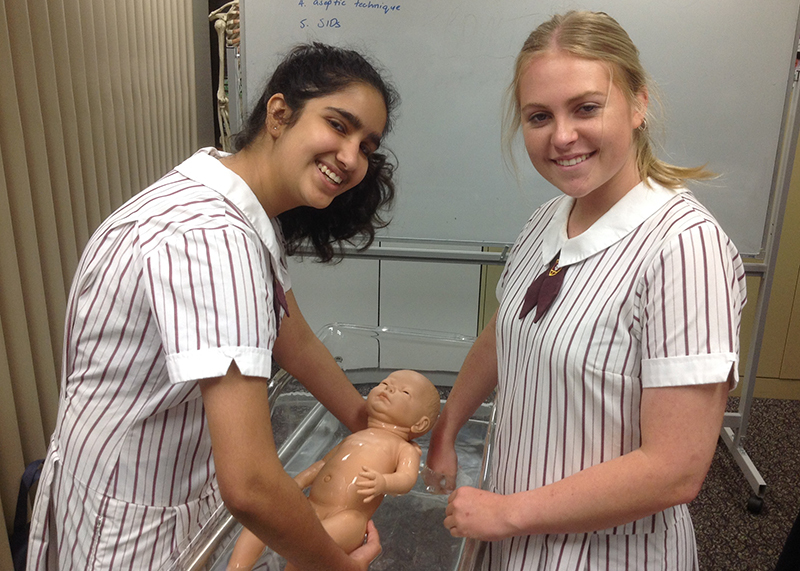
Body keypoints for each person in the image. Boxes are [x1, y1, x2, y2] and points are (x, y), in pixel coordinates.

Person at [27, 42, 399, 571]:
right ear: (279, 114)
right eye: (338, 126)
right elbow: (250, 484)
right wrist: (338, 567)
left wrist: (369, 423)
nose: (350, 157)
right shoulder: (213, 240)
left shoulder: (226, 193)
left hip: (127, 485)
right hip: (133, 531)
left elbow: (292, 336)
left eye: (366, 146)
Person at [424, 11, 746, 571]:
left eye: (586, 108)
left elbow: (675, 469)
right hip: (513, 531)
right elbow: (506, 332)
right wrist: (447, 427)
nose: (562, 136)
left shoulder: (684, 248)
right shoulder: (546, 220)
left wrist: (511, 513)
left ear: (639, 104)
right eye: (539, 116)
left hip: (605, 553)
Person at [226, 370, 441, 571]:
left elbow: (407, 479)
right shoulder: (354, 437)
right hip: (310, 504)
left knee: (315, 547)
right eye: (385, 383)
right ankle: (237, 566)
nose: (389, 388)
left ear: (420, 425)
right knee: (264, 517)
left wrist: (384, 482)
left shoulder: (404, 448)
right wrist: (297, 483)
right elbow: (322, 464)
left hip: (347, 517)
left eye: (405, 392)